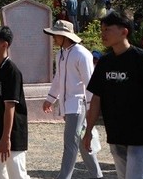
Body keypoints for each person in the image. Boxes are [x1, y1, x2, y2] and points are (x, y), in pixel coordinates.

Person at [83, 12, 143, 179]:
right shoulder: (104, 62)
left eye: (108, 29)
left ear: (124, 31)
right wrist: (89, 130)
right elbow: (96, 98)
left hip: (141, 136)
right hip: (115, 134)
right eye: (102, 29)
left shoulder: (142, 60)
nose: (103, 33)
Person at [42, 20, 103, 179]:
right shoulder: (60, 53)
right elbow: (58, 78)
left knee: (70, 144)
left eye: (56, 35)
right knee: (83, 143)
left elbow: (90, 82)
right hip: (69, 105)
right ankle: (97, 175)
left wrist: (91, 109)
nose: (54, 38)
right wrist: (50, 98)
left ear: (64, 36)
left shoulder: (82, 53)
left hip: (79, 105)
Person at [0, 26, 29, 179]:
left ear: (4, 45)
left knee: (17, 175)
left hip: (13, 134)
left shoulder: (12, 71)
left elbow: (10, 106)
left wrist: (6, 138)